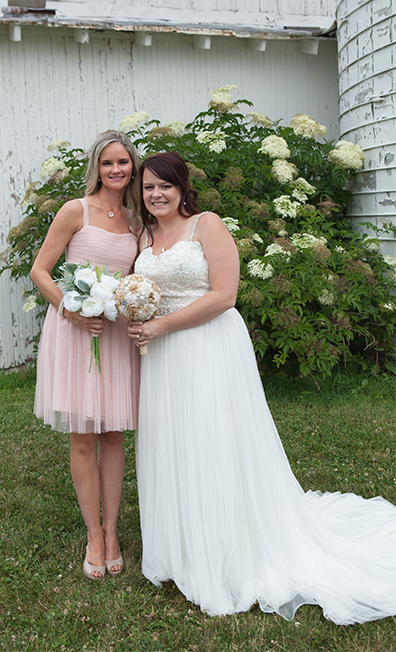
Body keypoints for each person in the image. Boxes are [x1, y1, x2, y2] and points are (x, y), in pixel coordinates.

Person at [128, 151, 396, 624]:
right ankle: (185, 548)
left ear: (182, 187)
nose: (156, 194)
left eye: (164, 186)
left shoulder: (206, 224)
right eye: (148, 187)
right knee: (175, 444)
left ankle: (229, 550)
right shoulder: (145, 234)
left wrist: (163, 325)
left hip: (207, 348)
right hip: (163, 358)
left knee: (215, 442)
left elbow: (224, 296)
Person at [31, 130, 140, 581]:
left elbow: (136, 279)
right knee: (82, 438)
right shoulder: (75, 210)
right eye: (108, 162)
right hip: (76, 332)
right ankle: (93, 536)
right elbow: (40, 270)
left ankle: (113, 532)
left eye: (124, 163)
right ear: (96, 166)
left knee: (113, 435)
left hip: (115, 336)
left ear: (133, 167)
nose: (116, 170)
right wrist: (72, 313)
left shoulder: (136, 220)